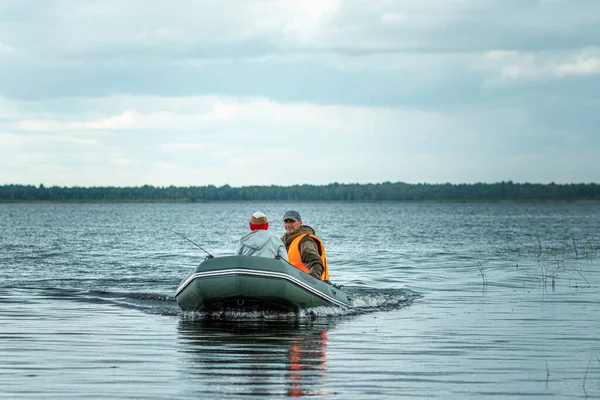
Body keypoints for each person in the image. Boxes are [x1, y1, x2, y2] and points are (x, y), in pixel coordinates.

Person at [280, 210, 329, 280]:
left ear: (300, 223)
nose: (288, 225)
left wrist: (313, 278)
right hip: (290, 280)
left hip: (308, 283)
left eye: (292, 222)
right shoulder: (282, 241)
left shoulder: (305, 241)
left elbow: (316, 263)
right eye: (286, 222)